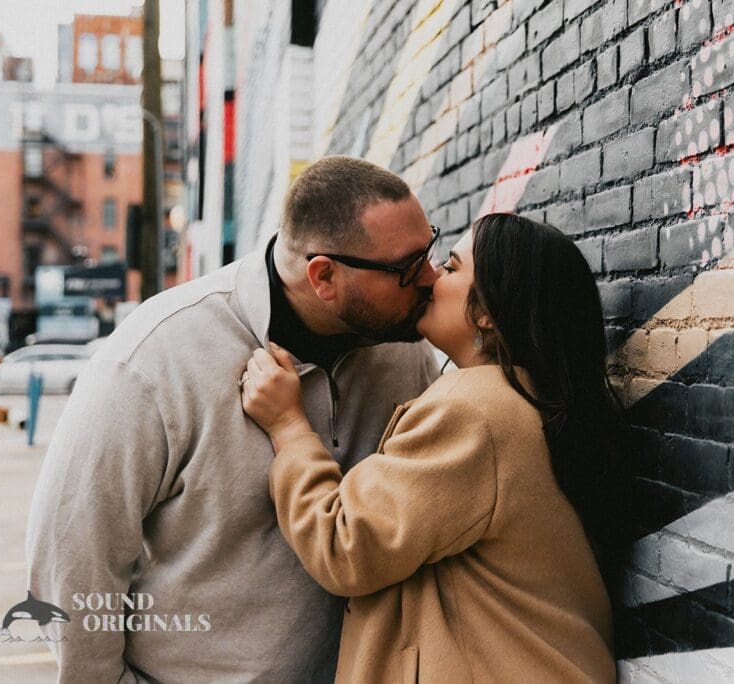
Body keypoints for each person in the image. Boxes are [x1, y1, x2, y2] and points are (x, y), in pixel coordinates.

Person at [25, 156, 441, 682]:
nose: (429, 278)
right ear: (324, 276)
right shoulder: (153, 358)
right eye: (407, 267)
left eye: (430, 250)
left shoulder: (404, 347)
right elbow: (71, 558)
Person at [241, 213, 621, 682]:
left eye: (453, 268)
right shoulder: (530, 403)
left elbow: (344, 545)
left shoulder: (475, 412)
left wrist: (289, 427)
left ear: (487, 313)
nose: (431, 277)